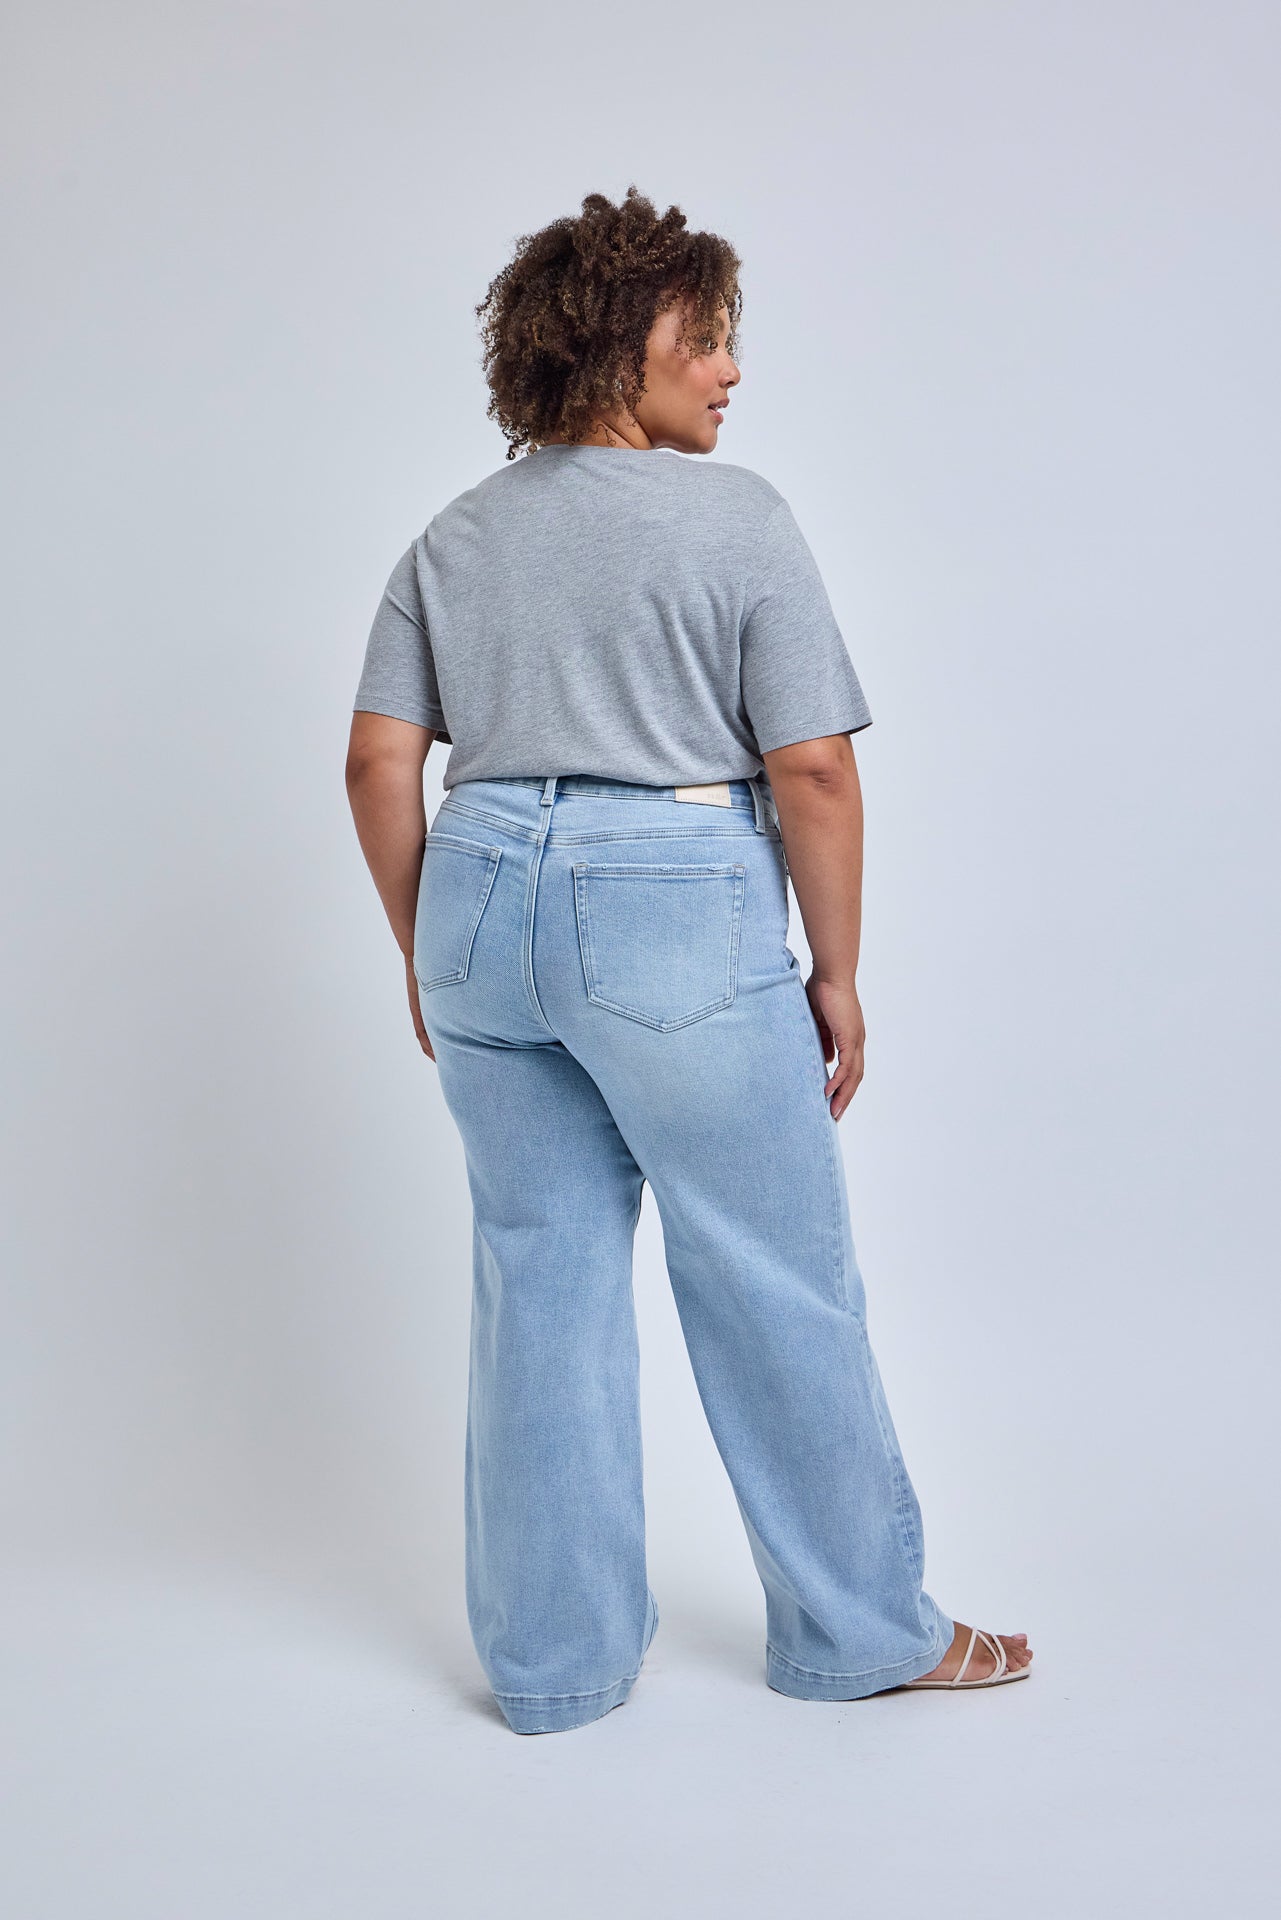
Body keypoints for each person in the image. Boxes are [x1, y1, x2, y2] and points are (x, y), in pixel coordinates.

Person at [345, 185, 1033, 1735]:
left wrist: (421, 948)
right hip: (668, 893)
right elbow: (811, 772)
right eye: (705, 337)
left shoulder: (452, 536)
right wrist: (837, 972)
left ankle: (551, 1669)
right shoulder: (738, 520)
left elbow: (380, 765)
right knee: (770, 1270)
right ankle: (862, 1632)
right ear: (615, 342)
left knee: (541, 1278)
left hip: (476, 897)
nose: (729, 369)